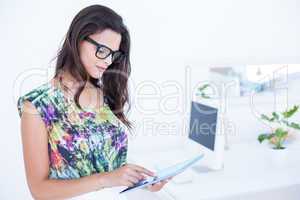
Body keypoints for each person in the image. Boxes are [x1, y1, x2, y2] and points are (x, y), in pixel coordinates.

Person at [17, 4, 171, 199]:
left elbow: (113, 166)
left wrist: (143, 181)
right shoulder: (38, 106)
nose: (108, 61)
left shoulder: (105, 95)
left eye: (114, 54)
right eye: (102, 50)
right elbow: (39, 190)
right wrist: (107, 179)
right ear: (78, 38)